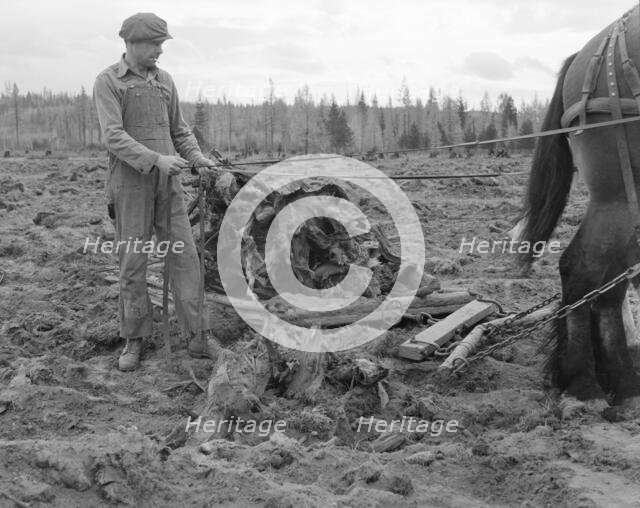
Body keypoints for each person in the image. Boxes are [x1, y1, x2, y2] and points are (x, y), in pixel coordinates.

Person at [93, 12, 220, 371]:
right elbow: (113, 136)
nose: (159, 52)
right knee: (133, 263)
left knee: (186, 259)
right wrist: (155, 160)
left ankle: (198, 336)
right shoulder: (109, 82)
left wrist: (197, 159)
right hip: (130, 186)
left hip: (169, 186)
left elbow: (180, 131)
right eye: (154, 45)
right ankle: (134, 338)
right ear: (131, 44)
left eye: (162, 45)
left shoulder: (165, 81)